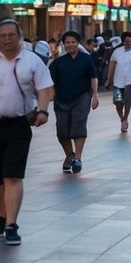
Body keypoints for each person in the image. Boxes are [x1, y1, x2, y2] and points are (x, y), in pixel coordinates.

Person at [0, 18, 54, 246]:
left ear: (19, 36)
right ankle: (1, 214)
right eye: (2, 35)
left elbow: (44, 88)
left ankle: (11, 224)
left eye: (10, 35)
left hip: (19, 124)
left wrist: (43, 110)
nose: (6, 39)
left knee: (13, 175)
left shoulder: (32, 61)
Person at [49, 31, 99, 174]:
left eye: (73, 42)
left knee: (79, 125)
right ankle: (69, 155)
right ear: (64, 44)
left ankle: (77, 158)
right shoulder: (58, 61)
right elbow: (48, 80)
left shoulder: (86, 59)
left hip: (82, 96)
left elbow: (93, 77)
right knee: (62, 131)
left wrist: (95, 95)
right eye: (67, 42)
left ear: (78, 43)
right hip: (61, 99)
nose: (70, 45)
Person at [106, 32, 131, 134]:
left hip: (130, 81)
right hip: (117, 82)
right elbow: (111, 66)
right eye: (126, 41)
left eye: (130, 41)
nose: (128, 43)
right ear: (123, 42)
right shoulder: (117, 52)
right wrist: (109, 79)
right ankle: (122, 117)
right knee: (118, 102)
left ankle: (125, 120)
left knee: (128, 102)